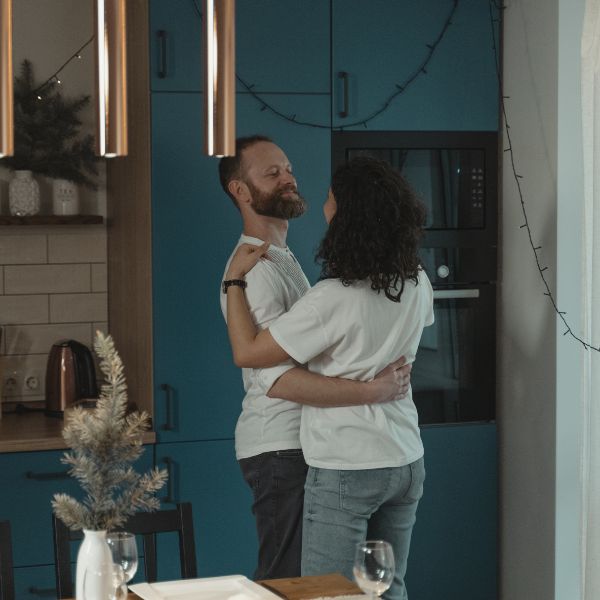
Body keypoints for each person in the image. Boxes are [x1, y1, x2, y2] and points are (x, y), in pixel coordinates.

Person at [224, 155, 434, 600]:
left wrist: (234, 283)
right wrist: (377, 387)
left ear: (346, 216)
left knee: (325, 594)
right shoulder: (417, 281)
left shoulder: (332, 296)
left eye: (331, 198)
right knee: (387, 589)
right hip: (405, 457)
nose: (321, 201)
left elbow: (248, 353)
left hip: (348, 462)